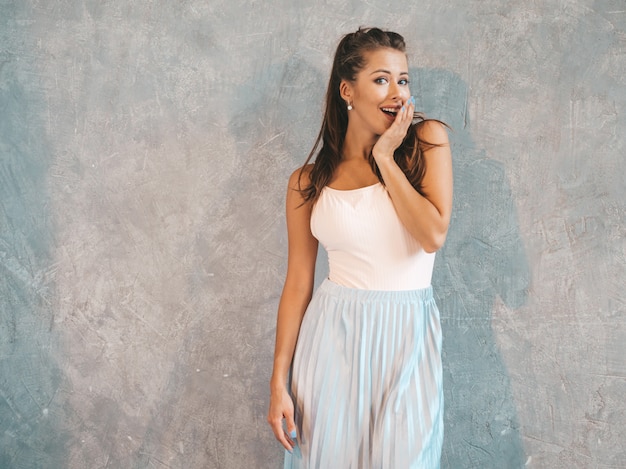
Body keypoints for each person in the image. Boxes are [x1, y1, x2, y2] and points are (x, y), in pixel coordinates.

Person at [267, 27, 453, 469]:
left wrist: (386, 159)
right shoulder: (306, 182)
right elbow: (297, 284)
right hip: (332, 340)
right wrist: (279, 381)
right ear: (346, 90)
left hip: (407, 337)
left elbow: (432, 236)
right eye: (381, 78)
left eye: (403, 80)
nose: (396, 91)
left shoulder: (427, 142)